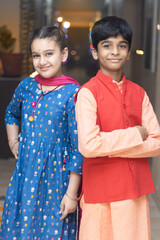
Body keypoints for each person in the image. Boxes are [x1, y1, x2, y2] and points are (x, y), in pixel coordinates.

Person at [75, 16, 160, 240]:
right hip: (100, 192)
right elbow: (89, 146)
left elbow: (157, 142)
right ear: (95, 52)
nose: (115, 51)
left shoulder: (139, 93)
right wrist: (135, 135)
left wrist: (107, 144)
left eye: (122, 45)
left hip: (134, 191)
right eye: (107, 45)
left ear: (129, 52)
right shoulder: (87, 93)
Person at [0, 26, 83, 240]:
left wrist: (72, 195)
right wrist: (13, 142)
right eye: (36, 55)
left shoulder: (73, 94)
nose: (42, 61)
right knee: (22, 228)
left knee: (51, 231)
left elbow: (78, 148)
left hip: (57, 180)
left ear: (63, 54)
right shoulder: (26, 86)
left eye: (49, 53)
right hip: (25, 175)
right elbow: (11, 113)